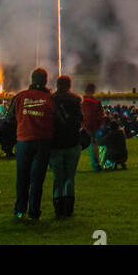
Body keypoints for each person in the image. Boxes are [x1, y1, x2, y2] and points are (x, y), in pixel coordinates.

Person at [13, 68, 55, 221]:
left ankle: (19, 210)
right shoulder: (50, 99)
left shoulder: (20, 96)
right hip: (43, 141)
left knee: (22, 177)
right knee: (37, 179)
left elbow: (11, 117)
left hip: (23, 140)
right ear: (45, 81)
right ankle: (34, 212)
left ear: (31, 79)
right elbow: (55, 119)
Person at [49, 76, 83, 218]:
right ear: (69, 85)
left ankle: (58, 209)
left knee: (58, 177)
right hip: (72, 142)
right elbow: (80, 120)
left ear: (57, 85)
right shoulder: (76, 100)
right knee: (70, 176)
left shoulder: (51, 100)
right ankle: (68, 208)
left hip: (55, 143)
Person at [82, 84, 106, 172]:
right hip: (93, 128)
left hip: (85, 127)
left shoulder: (82, 102)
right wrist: (100, 126)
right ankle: (96, 165)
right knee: (94, 148)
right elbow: (101, 116)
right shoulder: (96, 102)